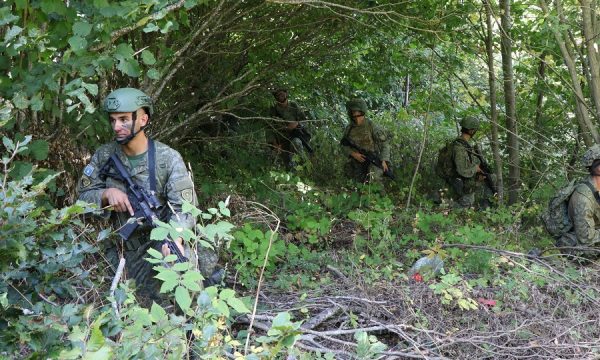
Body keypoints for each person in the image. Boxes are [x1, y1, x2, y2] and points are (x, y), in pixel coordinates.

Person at [77, 88, 217, 306]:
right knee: (124, 308)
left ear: (143, 119)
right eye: (113, 120)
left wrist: (175, 238)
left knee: (180, 271)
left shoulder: (167, 158)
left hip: (163, 239)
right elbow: (81, 200)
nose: (116, 126)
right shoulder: (104, 156)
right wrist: (106, 194)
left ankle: (193, 325)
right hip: (124, 250)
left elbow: (185, 208)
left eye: (123, 119)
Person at [556, 145, 600, 259]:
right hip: (581, 245)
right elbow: (586, 239)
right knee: (589, 251)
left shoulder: (595, 188)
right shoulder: (584, 198)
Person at [441, 116, 494, 209]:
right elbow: (462, 170)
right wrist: (476, 169)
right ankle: (443, 203)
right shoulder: (459, 148)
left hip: (464, 177)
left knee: (492, 177)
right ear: (471, 131)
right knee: (467, 204)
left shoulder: (465, 145)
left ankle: (486, 208)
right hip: (459, 180)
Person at [341, 98, 390, 184]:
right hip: (357, 160)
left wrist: (384, 160)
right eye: (354, 116)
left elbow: (384, 144)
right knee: (354, 180)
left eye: (359, 115)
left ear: (363, 114)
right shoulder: (349, 129)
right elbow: (343, 145)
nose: (357, 119)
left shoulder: (371, 126)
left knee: (374, 178)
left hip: (372, 159)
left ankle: (378, 196)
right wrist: (353, 154)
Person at [266, 88, 308, 169]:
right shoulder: (272, 110)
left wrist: (297, 123)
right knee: (287, 165)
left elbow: (304, 121)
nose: (280, 96)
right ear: (275, 97)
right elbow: (268, 128)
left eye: (282, 93)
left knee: (297, 143)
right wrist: (275, 144)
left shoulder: (294, 106)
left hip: (294, 137)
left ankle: (304, 166)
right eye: (277, 95)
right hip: (280, 141)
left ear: (286, 93)